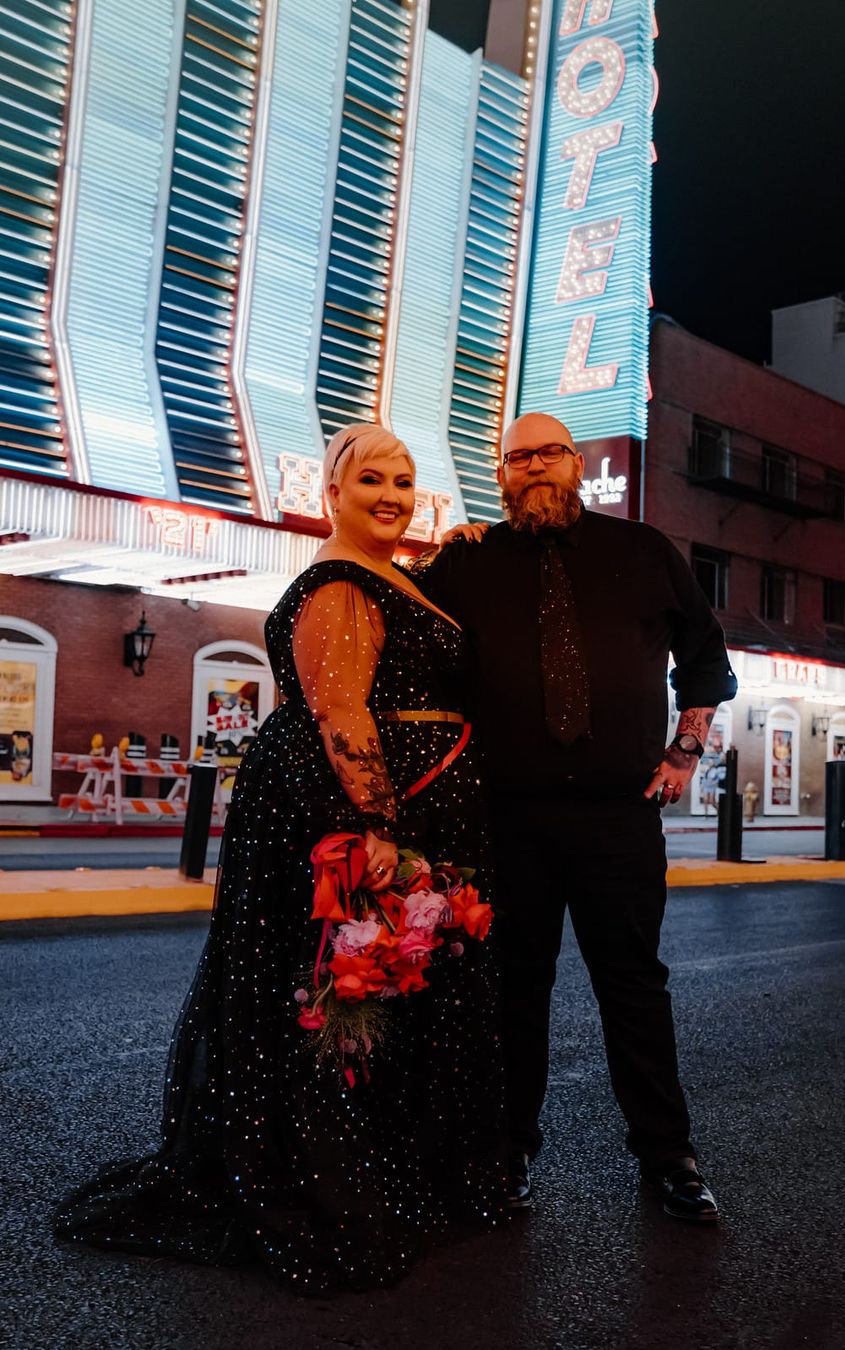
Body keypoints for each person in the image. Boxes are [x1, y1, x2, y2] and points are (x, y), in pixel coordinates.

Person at [55, 425, 507, 1292]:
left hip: (419, 814)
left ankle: (394, 1163)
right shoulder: (337, 581)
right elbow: (342, 713)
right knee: (342, 991)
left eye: (405, 481)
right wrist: (382, 834)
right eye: (370, 478)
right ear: (331, 493)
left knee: (388, 994)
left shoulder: (397, 576)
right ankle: (323, 1177)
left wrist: (464, 544)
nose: (390, 494)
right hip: (363, 818)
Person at [418, 411, 738, 1222]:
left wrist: (685, 751)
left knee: (634, 986)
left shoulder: (644, 551)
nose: (534, 468)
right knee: (512, 990)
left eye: (549, 453)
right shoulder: (466, 563)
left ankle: (669, 1155)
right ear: (501, 475)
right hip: (505, 818)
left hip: (618, 819)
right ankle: (508, 1148)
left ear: (576, 464)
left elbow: (704, 659)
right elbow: (412, 666)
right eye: (516, 458)